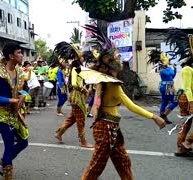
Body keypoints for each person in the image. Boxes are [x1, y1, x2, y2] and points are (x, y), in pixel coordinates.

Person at [81, 24, 166, 180]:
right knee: (95, 168)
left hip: (111, 128)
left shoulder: (105, 81)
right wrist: (154, 117)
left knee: (123, 162)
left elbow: (96, 105)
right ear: (109, 62)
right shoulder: (112, 84)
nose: (119, 58)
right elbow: (130, 105)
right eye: (117, 56)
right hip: (106, 129)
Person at [0, 42, 28, 180]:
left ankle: (2, 163)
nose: (21, 55)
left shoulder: (18, 71)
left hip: (15, 112)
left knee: (24, 141)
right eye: (19, 53)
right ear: (11, 56)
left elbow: (19, 89)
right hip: (3, 114)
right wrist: (12, 100)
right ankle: (7, 175)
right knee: (9, 145)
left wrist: (23, 94)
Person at [53, 42, 93, 148]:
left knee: (73, 118)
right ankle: (83, 141)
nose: (83, 59)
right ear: (78, 58)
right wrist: (84, 90)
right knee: (81, 120)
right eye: (82, 57)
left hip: (76, 96)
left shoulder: (77, 68)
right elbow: (75, 83)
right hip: (77, 97)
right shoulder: (75, 69)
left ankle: (59, 133)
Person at [147, 50, 178, 124]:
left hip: (169, 85)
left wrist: (175, 69)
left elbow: (172, 76)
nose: (169, 61)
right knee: (175, 101)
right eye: (168, 59)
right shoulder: (161, 68)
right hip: (166, 86)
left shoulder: (168, 68)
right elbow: (167, 74)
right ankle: (164, 115)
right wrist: (167, 66)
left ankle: (162, 117)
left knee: (165, 101)